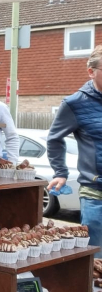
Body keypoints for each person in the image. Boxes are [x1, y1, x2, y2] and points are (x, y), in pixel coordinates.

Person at [47, 45, 102, 256]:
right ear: (91, 71)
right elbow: (54, 138)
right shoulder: (74, 104)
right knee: (95, 257)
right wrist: (60, 172)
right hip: (95, 192)